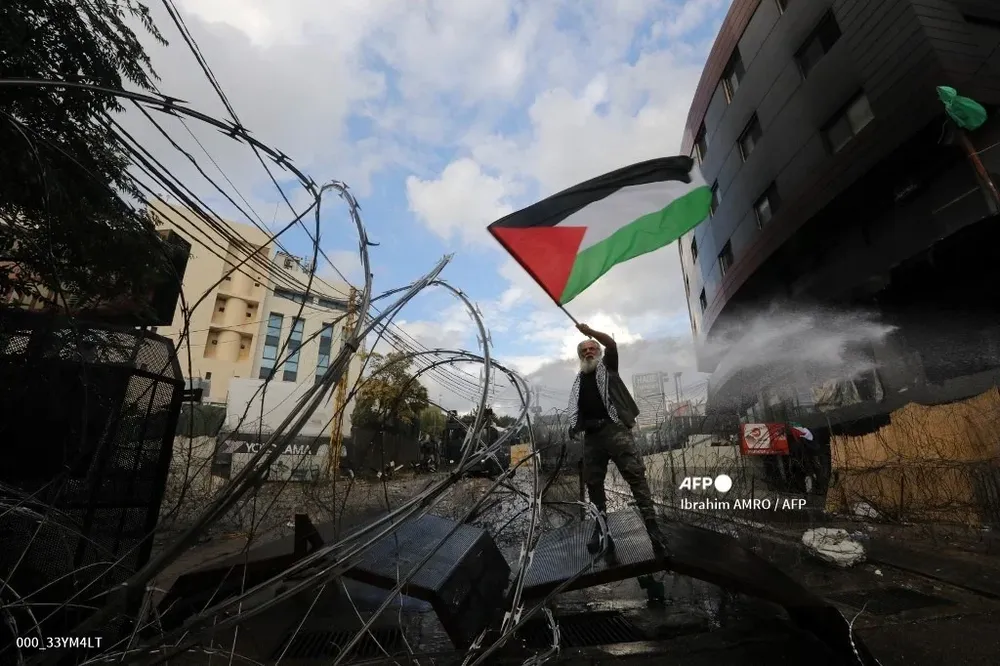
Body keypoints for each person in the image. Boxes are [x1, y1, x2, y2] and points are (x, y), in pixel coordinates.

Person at [567, 322, 669, 559]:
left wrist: (590, 332)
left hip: (615, 430)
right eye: (584, 350)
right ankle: (601, 531)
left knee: (635, 476)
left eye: (592, 348)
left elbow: (611, 343)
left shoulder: (609, 370)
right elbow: (577, 411)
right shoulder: (579, 381)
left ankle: (653, 528)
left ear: (599, 352)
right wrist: (575, 426)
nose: (588, 352)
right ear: (580, 356)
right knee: (593, 483)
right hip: (592, 437)